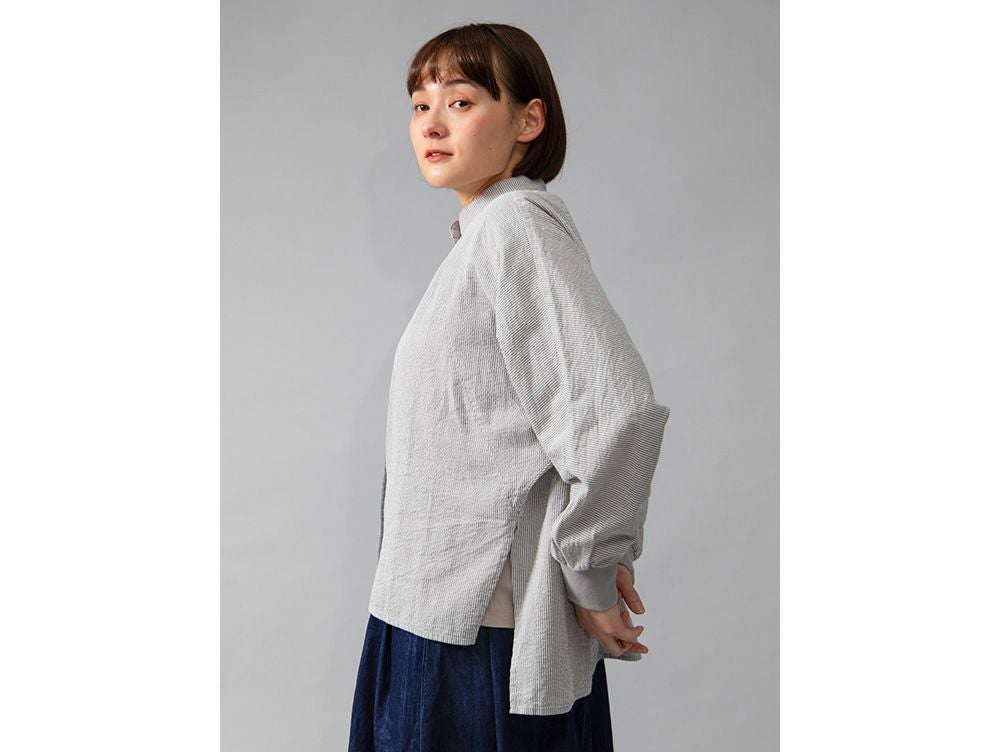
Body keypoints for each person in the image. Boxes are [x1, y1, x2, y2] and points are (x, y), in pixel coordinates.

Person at [348, 22, 671, 751]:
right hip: (431, 608)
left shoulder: (515, 227)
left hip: (474, 630)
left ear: (529, 120)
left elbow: (616, 410)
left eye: (461, 101)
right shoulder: (479, 240)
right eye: (420, 104)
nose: (431, 124)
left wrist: (590, 571)